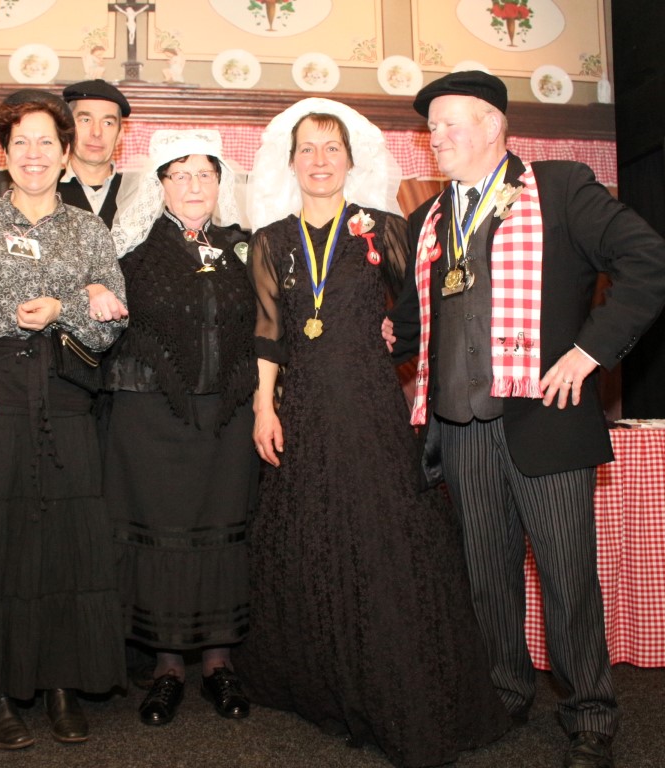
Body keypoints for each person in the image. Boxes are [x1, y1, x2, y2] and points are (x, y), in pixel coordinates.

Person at [383, 71, 665, 768]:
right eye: (431, 127)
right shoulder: (427, 221)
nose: (436, 137)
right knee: (486, 576)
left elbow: (650, 261)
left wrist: (589, 352)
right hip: (460, 426)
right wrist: (371, 334)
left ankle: (590, 714)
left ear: (492, 125)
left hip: (546, 420)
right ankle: (505, 693)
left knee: (567, 577)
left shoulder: (561, 187)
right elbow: (416, 323)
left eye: (449, 124)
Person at [235, 98, 509, 767]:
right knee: (311, 537)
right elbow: (268, 335)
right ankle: (326, 682)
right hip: (302, 407)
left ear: (350, 161)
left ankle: (399, 682)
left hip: (371, 406)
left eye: (332, 148)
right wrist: (263, 408)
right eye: (308, 149)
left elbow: (424, 307)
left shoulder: (386, 228)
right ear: (290, 162)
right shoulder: (269, 240)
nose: (320, 160)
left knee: (386, 538)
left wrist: (410, 347)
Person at [0, 89, 128, 751]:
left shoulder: (88, 231)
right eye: (21, 143)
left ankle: (62, 685)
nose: (34, 154)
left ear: (66, 154)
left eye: (47, 142)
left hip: (65, 395)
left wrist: (65, 307)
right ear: (3, 153)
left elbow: (109, 328)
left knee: (66, 548)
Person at [107, 129, 256, 726]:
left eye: (205, 174)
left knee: (223, 534)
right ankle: (167, 669)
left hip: (230, 419)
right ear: (161, 186)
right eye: (181, 175)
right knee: (166, 538)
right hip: (152, 418)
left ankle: (219, 664)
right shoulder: (132, 253)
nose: (194, 186)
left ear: (221, 182)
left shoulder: (246, 247)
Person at [59, 79, 131, 229]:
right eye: (85, 120)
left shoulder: (137, 195)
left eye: (108, 123)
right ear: (68, 128)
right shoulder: (45, 189)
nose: (97, 132)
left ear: (119, 135)